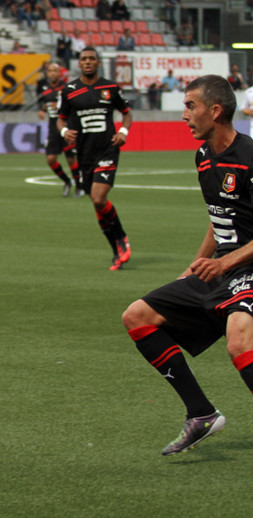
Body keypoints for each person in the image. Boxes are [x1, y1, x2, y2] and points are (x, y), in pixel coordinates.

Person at [120, 74, 251, 456]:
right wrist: (196, 263)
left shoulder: (250, 158)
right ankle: (201, 414)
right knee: (138, 315)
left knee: (240, 336)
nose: (184, 115)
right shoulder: (204, 156)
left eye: (190, 106)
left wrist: (224, 262)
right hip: (222, 269)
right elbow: (219, 216)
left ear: (215, 110)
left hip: (247, 268)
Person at [57, 47, 133, 270]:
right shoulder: (69, 91)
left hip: (108, 149)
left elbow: (126, 113)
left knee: (99, 198)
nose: (88, 62)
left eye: (91, 58)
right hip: (85, 154)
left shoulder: (110, 87)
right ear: (79, 64)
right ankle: (117, 248)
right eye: (83, 59)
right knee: (96, 203)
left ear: (98, 63)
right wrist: (63, 132)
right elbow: (60, 120)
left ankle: (121, 238)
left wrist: (123, 132)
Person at [37, 61, 80, 197]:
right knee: (50, 159)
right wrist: (43, 110)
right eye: (50, 71)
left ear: (59, 73)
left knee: (71, 159)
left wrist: (61, 107)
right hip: (52, 129)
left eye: (55, 71)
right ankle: (67, 181)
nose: (52, 73)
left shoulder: (66, 87)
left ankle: (79, 187)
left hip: (65, 127)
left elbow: (74, 105)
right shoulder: (45, 88)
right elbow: (45, 103)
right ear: (47, 73)